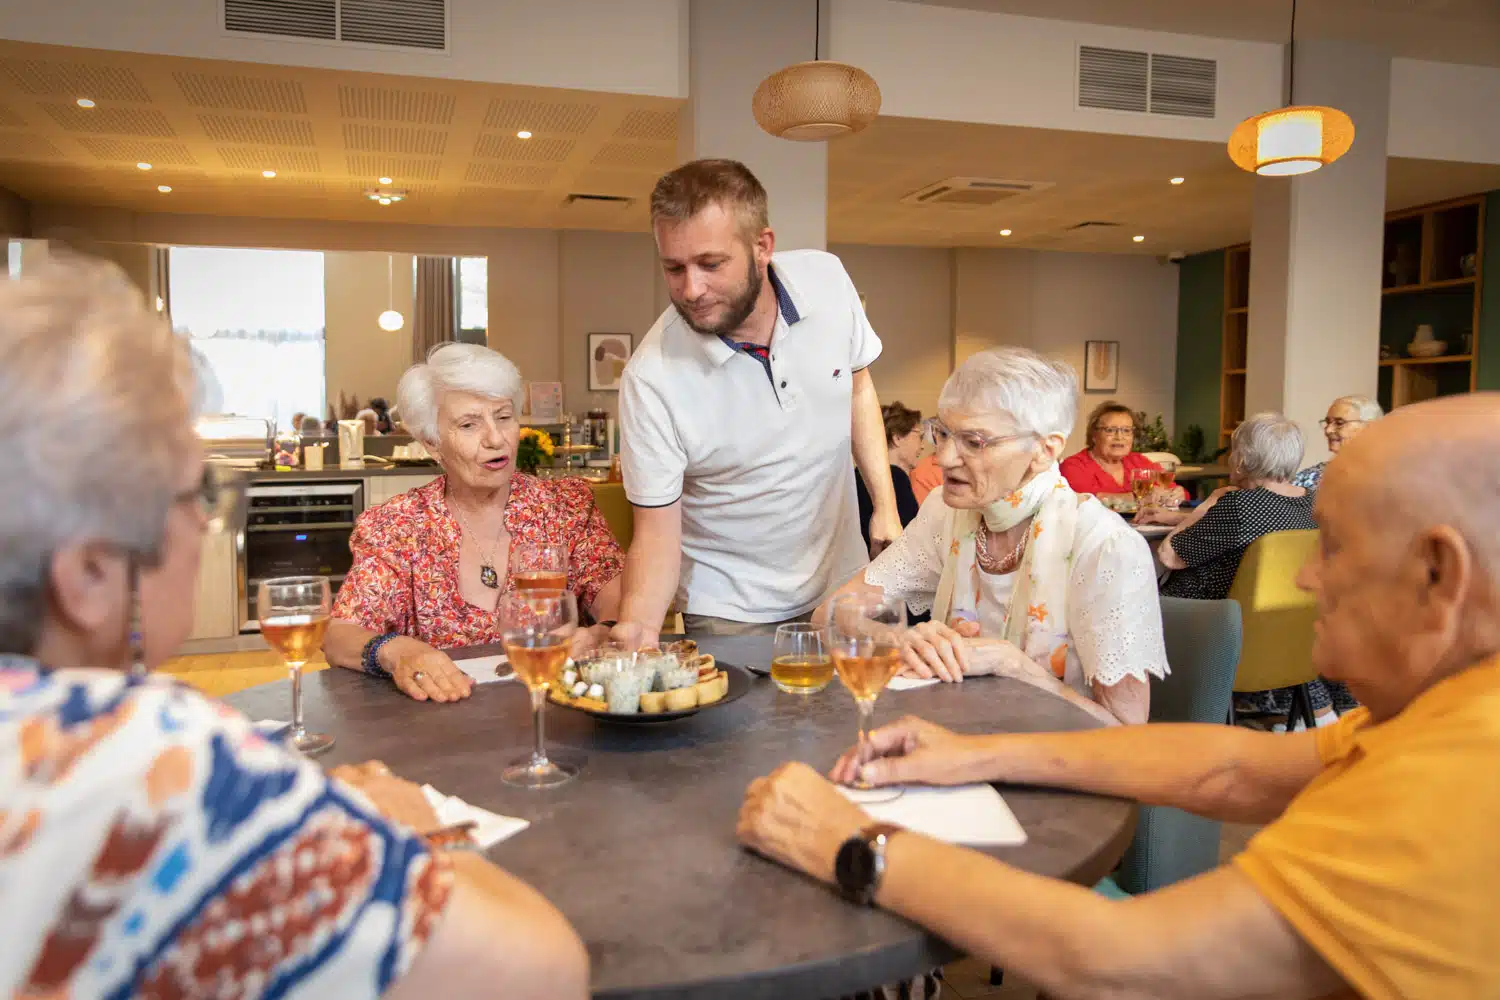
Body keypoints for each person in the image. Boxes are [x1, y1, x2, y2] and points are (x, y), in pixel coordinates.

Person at [739, 393, 1500, 1000]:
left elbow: (1121, 965)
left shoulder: (1456, 783)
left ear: (1439, 575)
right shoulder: (1449, 711)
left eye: (1332, 547)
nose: (1306, 577)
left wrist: (847, 844)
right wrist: (975, 752)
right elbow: (1231, 768)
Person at [0, 260, 588, 1000]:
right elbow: (541, 973)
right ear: (88, 575)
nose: (207, 523)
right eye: (196, 493)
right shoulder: (168, 763)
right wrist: (418, 832)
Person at [611, 158, 901, 646]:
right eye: (673, 268)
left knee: (856, 717)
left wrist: (885, 507)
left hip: (842, 580)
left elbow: (858, 387)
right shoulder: (651, 378)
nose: (691, 289)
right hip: (730, 610)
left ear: (762, 246)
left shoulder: (827, 280)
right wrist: (637, 631)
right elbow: (656, 536)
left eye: (710, 264)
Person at [820, 348, 1169, 727]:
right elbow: (830, 615)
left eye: (975, 442)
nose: (944, 458)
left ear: (1044, 450)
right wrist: (898, 640)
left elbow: (1127, 732)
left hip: (1056, 764)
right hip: (954, 740)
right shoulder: (945, 513)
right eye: (943, 433)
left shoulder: (1105, 547)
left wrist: (1011, 665)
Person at [324, 344, 624, 703]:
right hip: (445, 729)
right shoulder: (398, 526)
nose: (495, 439)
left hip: (560, 718)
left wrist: (603, 631)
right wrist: (395, 651)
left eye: (503, 417)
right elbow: (340, 634)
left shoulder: (566, 506)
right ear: (433, 444)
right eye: (469, 424)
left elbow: (616, 594)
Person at [1142, 412, 1352, 725]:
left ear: (1242, 460)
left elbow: (1169, 554)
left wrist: (1206, 506)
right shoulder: (1312, 504)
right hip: (1287, 639)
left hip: (1208, 630)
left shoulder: (1239, 506)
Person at [1059, 400, 1170, 498]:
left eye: (1126, 430)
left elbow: (1170, 490)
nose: (1119, 437)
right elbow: (1086, 500)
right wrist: (1142, 497)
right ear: (1094, 435)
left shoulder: (1139, 461)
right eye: (1110, 430)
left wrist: (1176, 493)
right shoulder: (1074, 466)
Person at [855, 402, 923, 550]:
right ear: (897, 438)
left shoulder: (858, 475)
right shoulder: (897, 478)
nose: (922, 446)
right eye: (919, 436)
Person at [1294, 394, 1383, 492]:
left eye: (1339, 423)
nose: (1328, 430)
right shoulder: (1309, 478)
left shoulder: (1389, 478)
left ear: (1370, 427)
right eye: (1328, 422)